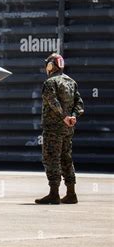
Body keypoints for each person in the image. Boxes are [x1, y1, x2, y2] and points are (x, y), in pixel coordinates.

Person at [35, 53, 84, 205]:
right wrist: (73, 116)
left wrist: (63, 116)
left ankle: (54, 194)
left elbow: (53, 102)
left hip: (53, 128)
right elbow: (79, 103)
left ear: (50, 66)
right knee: (66, 159)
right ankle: (71, 194)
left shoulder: (50, 82)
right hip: (68, 128)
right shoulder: (71, 82)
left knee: (51, 158)